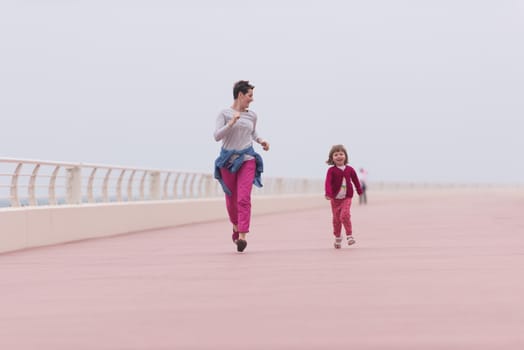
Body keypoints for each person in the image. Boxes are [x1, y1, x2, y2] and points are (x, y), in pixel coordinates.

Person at [214, 80, 270, 253]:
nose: (252, 99)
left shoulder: (252, 115)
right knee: (231, 201)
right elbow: (217, 136)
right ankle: (236, 227)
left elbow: (252, 132)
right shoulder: (224, 113)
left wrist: (261, 141)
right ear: (240, 95)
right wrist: (231, 123)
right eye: (249, 95)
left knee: (243, 198)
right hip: (228, 161)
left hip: (247, 159)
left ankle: (242, 236)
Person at [324, 144, 362, 249]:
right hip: (335, 199)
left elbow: (355, 180)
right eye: (336, 155)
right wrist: (328, 193)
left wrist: (359, 190)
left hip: (347, 197)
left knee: (344, 215)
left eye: (341, 154)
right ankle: (337, 237)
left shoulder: (350, 169)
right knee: (336, 219)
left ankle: (349, 235)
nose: (339, 156)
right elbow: (328, 182)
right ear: (332, 158)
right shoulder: (331, 171)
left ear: (345, 156)